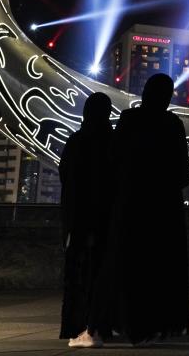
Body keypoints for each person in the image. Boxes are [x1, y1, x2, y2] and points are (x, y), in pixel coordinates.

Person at [106, 73, 189, 345]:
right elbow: (183, 170)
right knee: (162, 265)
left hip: (132, 204)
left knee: (132, 263)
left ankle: (129, 321)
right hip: (164, 207)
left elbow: (115, 159)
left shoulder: (129, 119)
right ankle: (161, 322)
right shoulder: (172, 123)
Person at [59, 92, 114, 348]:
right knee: (102, 274)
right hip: (107, 220)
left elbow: (66, 177)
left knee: (79, 275)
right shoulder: (113, 142)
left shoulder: (77, 141)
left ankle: (82, 330)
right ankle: (101, 327)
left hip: (80, 220)